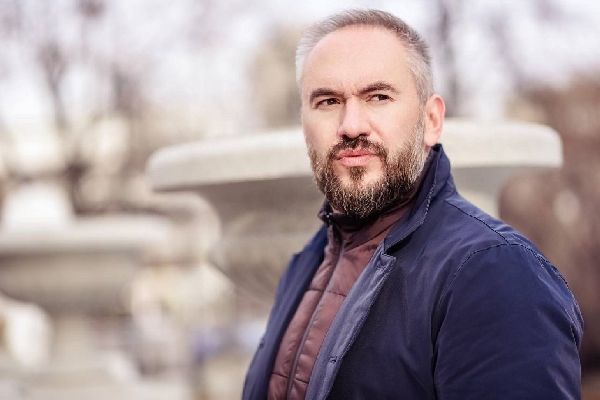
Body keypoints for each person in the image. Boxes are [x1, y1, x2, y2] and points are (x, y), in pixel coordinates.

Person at [243, 9, 583, 400]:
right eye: (328, 101)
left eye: (378, 97)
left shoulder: (496, 272)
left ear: (432, 120)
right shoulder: (307, 261)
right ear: (304, 122)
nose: (351, 125)